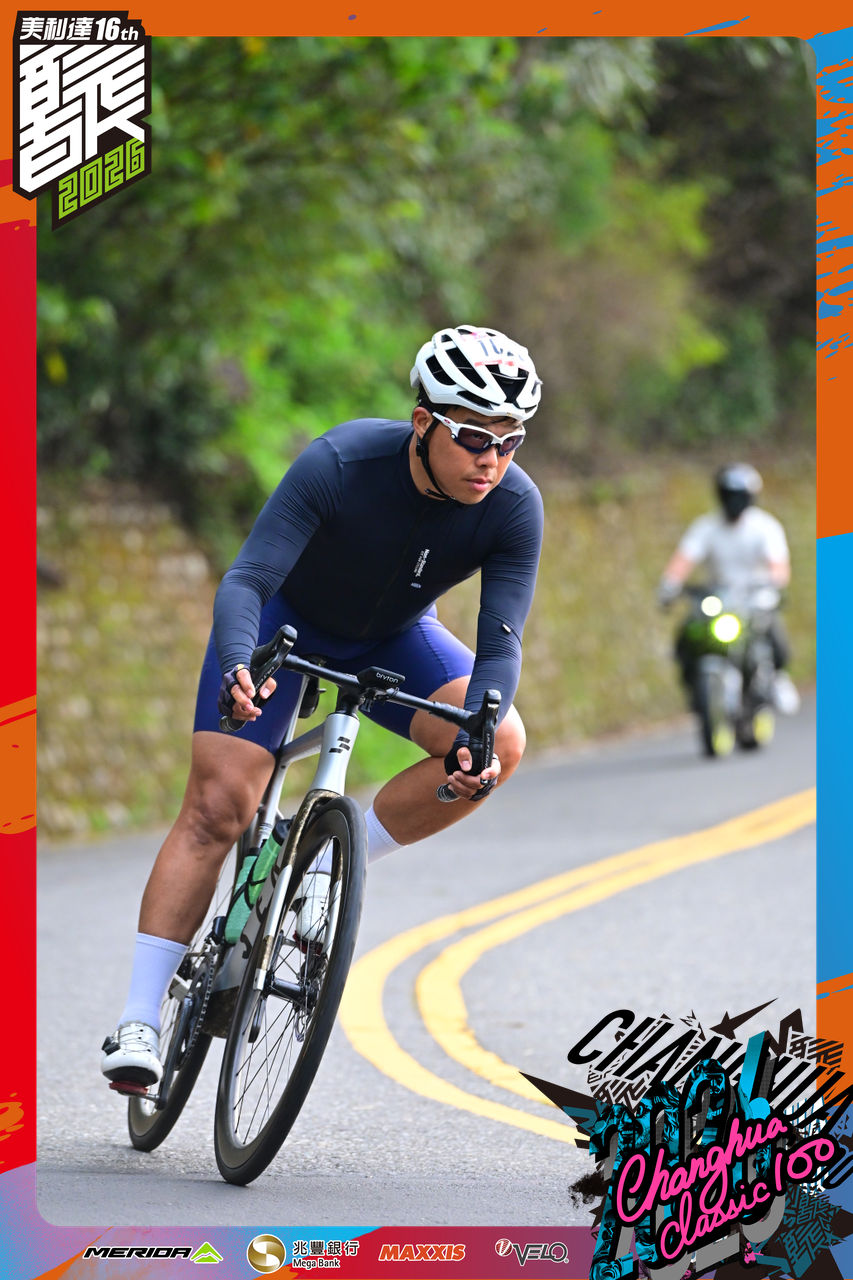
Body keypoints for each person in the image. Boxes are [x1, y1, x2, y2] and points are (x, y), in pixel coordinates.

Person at [101, 324, 545, 1086]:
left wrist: (478, 723)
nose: (491, 459)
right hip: (284, 626)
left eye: (510, 442)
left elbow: (499, 641)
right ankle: (138, 1021)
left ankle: (322, 865)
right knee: (218, 807)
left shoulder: (512, 505)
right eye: (474, 437)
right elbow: (249, 579)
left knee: (500, 743)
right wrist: (238, 665)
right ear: (423, 422)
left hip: (394, 639)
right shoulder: (342, 462)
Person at [657, 462, 800, 715]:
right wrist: (669, 585)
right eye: (729, 495)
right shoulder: (706, 527)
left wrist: (774, 583)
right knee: (688, 634)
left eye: (738, 496)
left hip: (755, 597)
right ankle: (693, 685)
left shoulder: (764, 527)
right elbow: (684, 559)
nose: (734, 502)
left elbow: (778, 565)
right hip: (719, 599)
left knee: (772, 632)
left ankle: (778, 677)